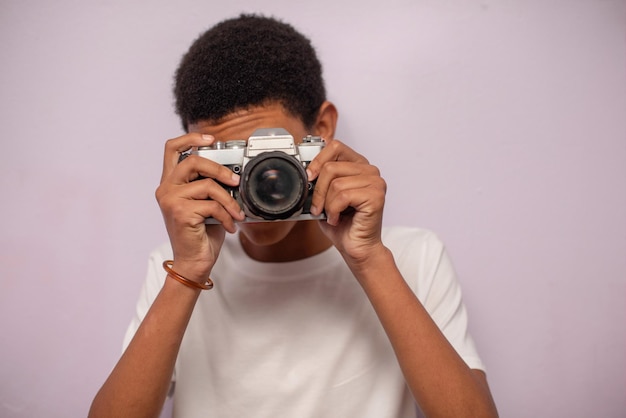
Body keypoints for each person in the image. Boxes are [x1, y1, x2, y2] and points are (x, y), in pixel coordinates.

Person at [89, 14, 498, 418]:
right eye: (234, 163)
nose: (258, 181)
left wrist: (370, 259)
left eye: (269, 155)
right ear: (196, 158)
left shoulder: (414, 256)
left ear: (322, 129)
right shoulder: (175, 269)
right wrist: (189, 272)